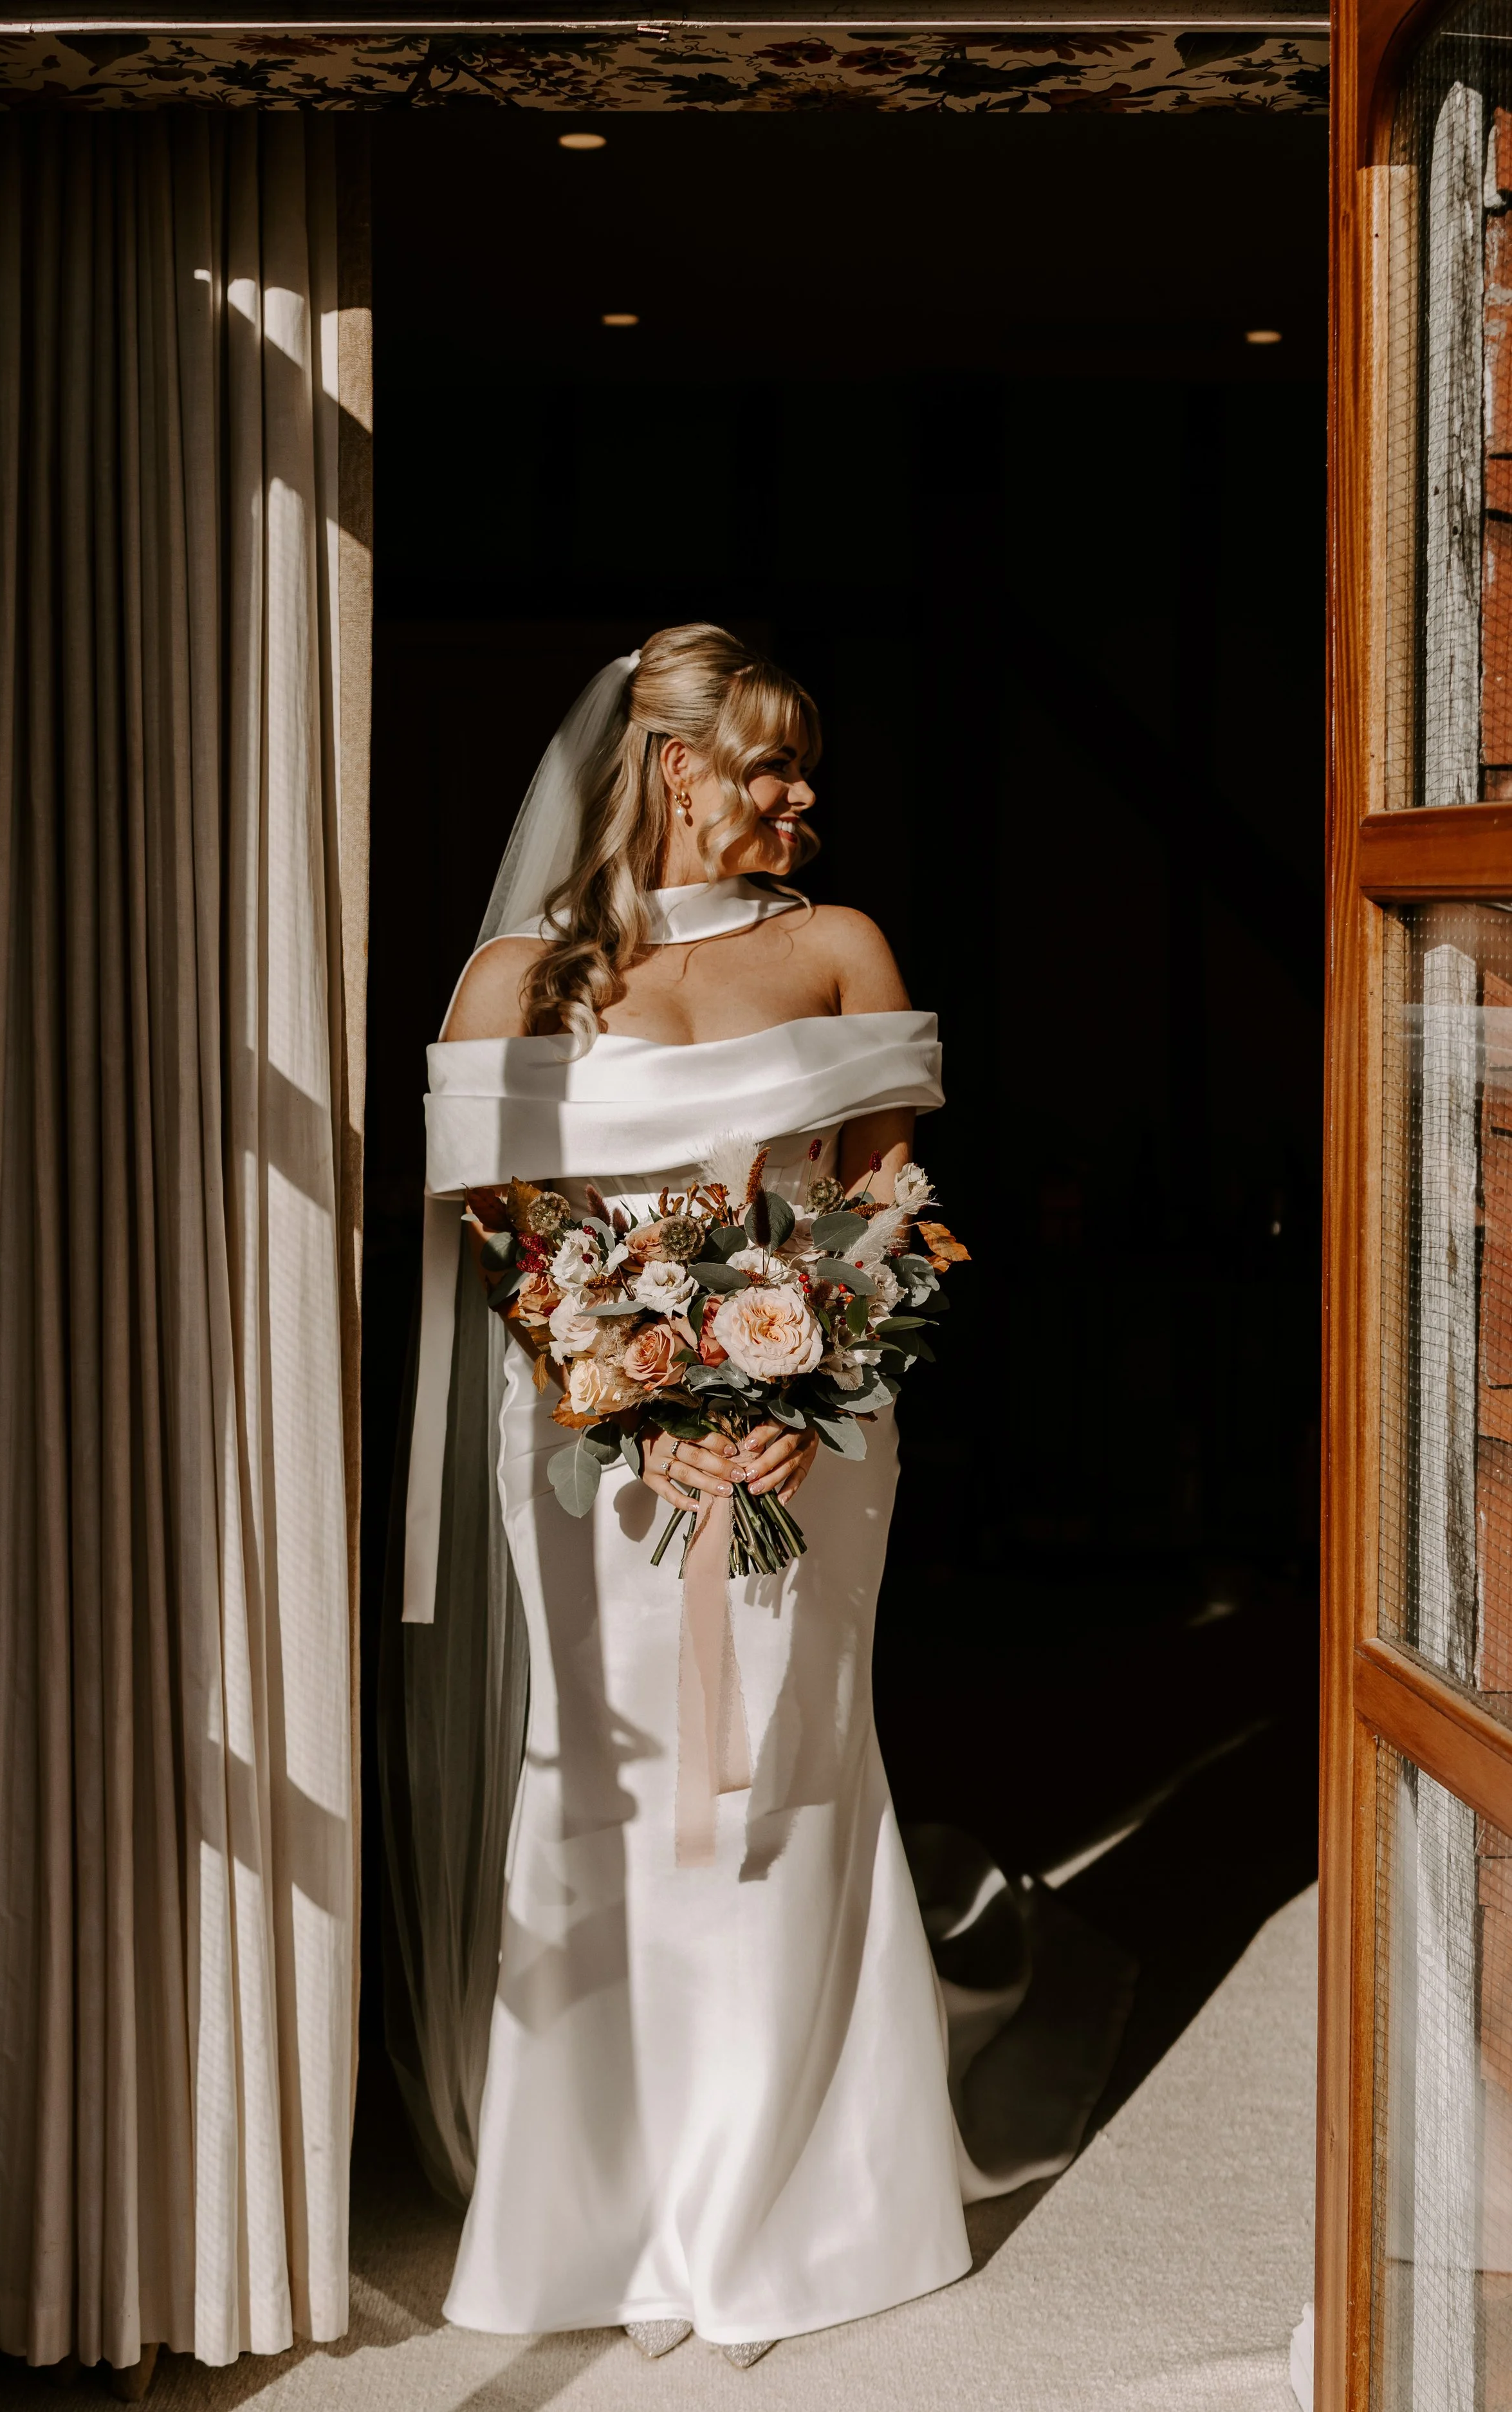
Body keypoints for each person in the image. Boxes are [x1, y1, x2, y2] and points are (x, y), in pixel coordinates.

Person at [398, 624, 976, 2366]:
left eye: (804, 771)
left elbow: (896, 1204)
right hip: (593, 1459)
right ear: (671, 770)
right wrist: (628, 1394)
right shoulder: (524, 978)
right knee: (610, 1787)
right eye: (769, 767)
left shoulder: (838, 946)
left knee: (787, 1778)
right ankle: (622, 2217)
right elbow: (500, 1230)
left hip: (818, 1431)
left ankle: (778, 2208)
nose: (800, 800)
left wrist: (817, 1376)